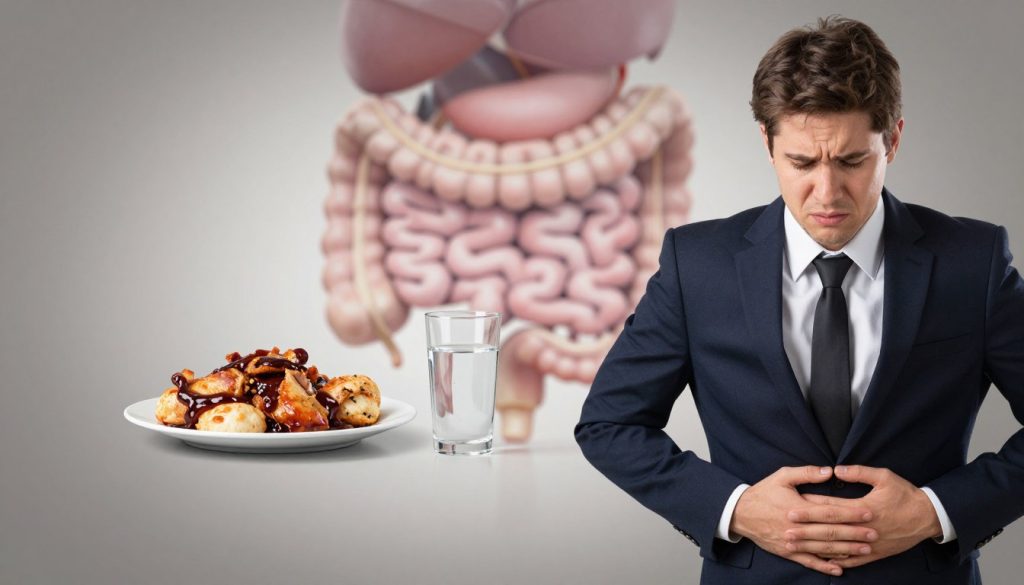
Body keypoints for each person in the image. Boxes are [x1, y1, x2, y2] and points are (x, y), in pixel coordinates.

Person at [575, 16, 1024, 585]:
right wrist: (734, 508)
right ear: (767, 143)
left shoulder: (973, 262)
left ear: (894, 140)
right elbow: (609, 423)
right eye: (803, 163)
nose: (828, 192)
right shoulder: (697, 266)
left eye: (853, 161)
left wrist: (937, 513)